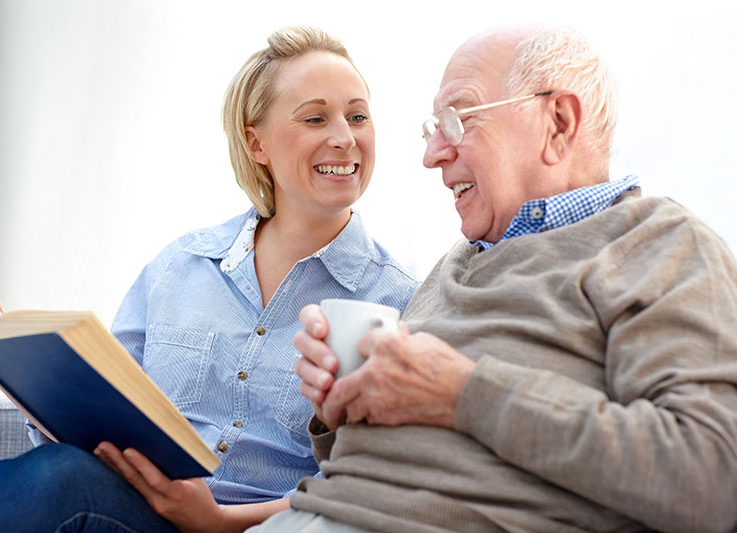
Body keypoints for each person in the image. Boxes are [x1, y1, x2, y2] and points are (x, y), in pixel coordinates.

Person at [251, 24, 737, 533]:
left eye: (457, 120)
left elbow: (711, 479)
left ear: (559, 122)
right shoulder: (455, 262)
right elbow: (369, 469)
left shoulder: (659, 244)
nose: (432, 153)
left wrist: (464, 391)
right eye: (431, 129)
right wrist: (340, 412)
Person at [0, 26, 418, 532]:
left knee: (62, 480)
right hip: (128, 514)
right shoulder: (180, 267)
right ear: (256, 143)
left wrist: (215, 519)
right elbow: (95, 419)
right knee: (63, 472)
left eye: (358, 116)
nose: (345, 138)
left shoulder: (394, 302)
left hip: (259, 528)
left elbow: (371, 486)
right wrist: (10, 366)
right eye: (316, 118)